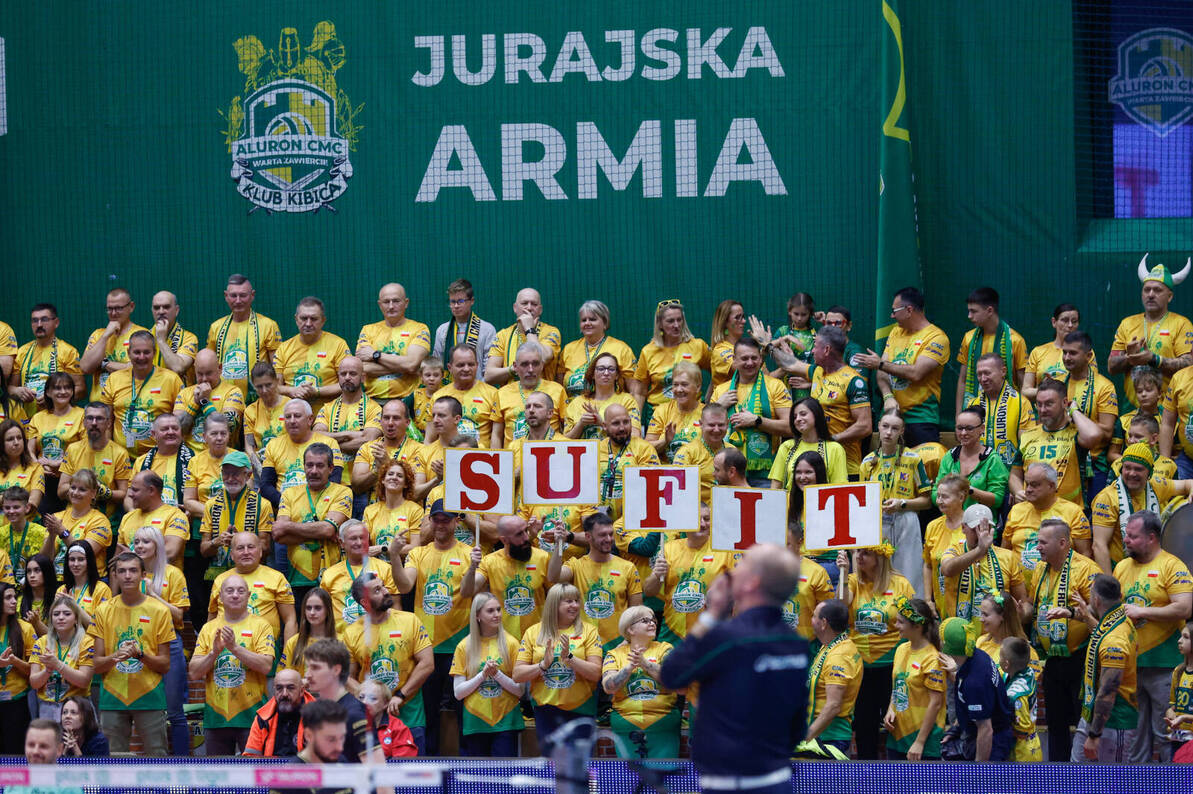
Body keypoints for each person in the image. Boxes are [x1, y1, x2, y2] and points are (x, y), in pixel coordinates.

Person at [659, 544, 807, 793]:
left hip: (730, 783)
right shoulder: (796, 643)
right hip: (777, 778)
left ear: (752, 583)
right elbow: (797, 728)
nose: (732, 570)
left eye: (742, 565)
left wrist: (710, 615)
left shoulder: (726, 638)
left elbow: (671, 675)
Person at [393, 498, 477, 755]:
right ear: (430, 521)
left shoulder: (468, 552)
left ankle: (467, 771)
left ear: (456, 521)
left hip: (460, 645)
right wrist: (395, 556)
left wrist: (474, 566)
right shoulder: (418, 553)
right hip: (425, 648)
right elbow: (405, 586)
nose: (440, 524)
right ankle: (426, 769)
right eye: (436, 519)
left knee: (465, 713)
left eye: (446, 519)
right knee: (428, 714)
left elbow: (469, 590)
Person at [1113, 510, 1193, 762]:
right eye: (1125, 535)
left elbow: (1185, 607)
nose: (1125, 540)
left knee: (1167, 732)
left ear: (1151, 538)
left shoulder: (1172, 565)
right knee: (1135, 737)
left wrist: (1141, 611)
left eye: (1132, 536)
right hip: (1132, 666)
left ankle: (1173, 785)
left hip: (1165, 666)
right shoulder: (1122, 567)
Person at [1027, 518, 1102, 761]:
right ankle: (1058, 776)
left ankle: (1086, 776)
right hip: (1053, 659)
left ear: (1062, 543)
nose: (1037, 547)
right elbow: (1033, 604)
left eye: (1042, 542)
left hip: (1080, 658)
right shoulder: (1040, 568)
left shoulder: (1087, 569)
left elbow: (1102, 611)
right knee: (1055, 723)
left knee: (1082, 722)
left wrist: (1071, 613)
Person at [87, 552, 173, 755]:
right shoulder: (102, 610)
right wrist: (117, 655)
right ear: (114, 575)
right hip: (112, 697)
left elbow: (165, 665)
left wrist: (139, 655)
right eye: (122, 571)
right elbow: (96, 664)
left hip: (150, 695)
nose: (127, 576)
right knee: (111, 761)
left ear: (144, 575)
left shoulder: (160, 611)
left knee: (157, 758)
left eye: (133, 570)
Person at [838, 542, 915, 759]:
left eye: (866, 553)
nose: (860, 557)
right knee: (864, 724)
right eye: (858, 552)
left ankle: (901, 773)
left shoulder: (901, 584)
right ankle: (866, 776)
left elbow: (911, 623)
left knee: (896, 721)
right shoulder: (852, 581)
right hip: (861, 665)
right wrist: (844, 570)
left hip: (892, 664)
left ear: (880, 558)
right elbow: (842, 604)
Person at [759, 326, 866, 477]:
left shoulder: (853, 381)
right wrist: (768, 346)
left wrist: (832, 440)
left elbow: (865, 425)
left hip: (846, 467)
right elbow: (790, 364)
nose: (812, 351)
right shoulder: (817, 372)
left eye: (816, 346)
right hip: (817, 465)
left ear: (827, 350)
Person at [190, 574, 276, 756]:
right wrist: (214, 653)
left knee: (254, 778)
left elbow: (267, 666)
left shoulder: (262, 625)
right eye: (229, 591)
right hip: (216, 718)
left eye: (240, 591)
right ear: (220, 597)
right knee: (218, 780)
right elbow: (194, 673)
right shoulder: (208, 628)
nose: (235, 595)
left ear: (249, 595)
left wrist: (234, 648)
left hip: (253, 716)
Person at [513, 583, 603, 753]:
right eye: (568, 601)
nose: (575, 605)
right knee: (554, 768)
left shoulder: (590, 631)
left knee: (580, 769)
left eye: (577, 600)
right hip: (547, 711)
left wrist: (570, 658)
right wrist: (543, 665)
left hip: (581, 710)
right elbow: (518, 675)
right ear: (554, 604)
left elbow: (596, 673)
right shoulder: (533, 632)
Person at [855, 287, 950, 446]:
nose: (892, 316)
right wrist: (887, 396)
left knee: (923, 466)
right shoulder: (895, 332)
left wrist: (880, 364)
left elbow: (916, 373)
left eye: (894, 311)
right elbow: (882, 372)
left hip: (921, 419)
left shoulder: (936, 338)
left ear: (909, 310)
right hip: (891, 417)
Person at [860, 411, 932, 597]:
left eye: (894, 428)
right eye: (885, 426)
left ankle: (913, 615)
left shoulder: (913, 459)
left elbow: (927, 501)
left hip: (905, 518)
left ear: (902, 431)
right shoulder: (867, 463)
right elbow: (862, 502)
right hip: (876, 522)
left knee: (910, 572)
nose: (888, 432)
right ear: (878, 427)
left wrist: (902, 503)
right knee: (878, 573)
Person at [548, 511, 643, 650]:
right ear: (588, 536)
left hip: (617, 645)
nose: (609, 539)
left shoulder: (628, 567)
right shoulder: (576, 565)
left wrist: (627, 640)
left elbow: (637, 612)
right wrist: (558, 544)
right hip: (583, 644)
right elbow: (554, 577)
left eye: (611, 534)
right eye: (602, 535)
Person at [1092, 443, 1193, 573]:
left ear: (1149, 473)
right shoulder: (1107, 498)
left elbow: (1187, 484)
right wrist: (1110, 586)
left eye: (1138, 469)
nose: (1132, 473)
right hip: (1120, 570)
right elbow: (1099, 546)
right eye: (1127, 468)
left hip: (1153, 569)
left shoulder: (1156, 485)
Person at [132, 526, 190, 755]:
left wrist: (154, 596)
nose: (140, 546)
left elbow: (179, 615)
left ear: (157, 545)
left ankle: (182, 765)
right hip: (138, 643)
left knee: (174, 711)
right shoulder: (129, 572)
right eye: (136, 542)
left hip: (169, 642)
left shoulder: (172, 574)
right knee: (145, 710)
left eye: (145, 542)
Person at [1108, 255, 1193, 407]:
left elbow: (1189, 365)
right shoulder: (1127, 323)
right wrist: (1130, 358)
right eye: (1147, 289)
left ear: (1170, 296)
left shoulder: (1182, 324)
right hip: (1132, 412)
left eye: (1158, 290)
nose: (1151, 294)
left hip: (1169, 412)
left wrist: (1153, 359)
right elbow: (1111, 366)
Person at [1071, 574, 1139, 762]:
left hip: (1112, 724)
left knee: (1111, 783)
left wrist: (1094, 735)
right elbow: (1100, 635)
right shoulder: (1117, 619)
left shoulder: (1114, 641)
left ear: (1097, 600)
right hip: (1093, 717)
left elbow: (1108, 691)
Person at [644, 505, 734, 645]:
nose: (702, 524)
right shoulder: (668, 548)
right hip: (672, 633)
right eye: (697, 519)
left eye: (707, 519)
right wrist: (656, 575)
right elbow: (649, 591)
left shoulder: (725, 549)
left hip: (712, 632)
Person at [272, 444, 352, 599]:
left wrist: (289, 526)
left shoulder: (343, 492)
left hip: (333, 577)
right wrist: (321, 530)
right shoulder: (289, 493)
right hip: (298, 578)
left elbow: (327, 530)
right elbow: (279, 535)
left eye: (320, 466)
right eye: (309, 465)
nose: (313, 471)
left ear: (330, 469)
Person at [450, 591, 524, 757]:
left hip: (506, 722)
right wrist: (482, 675)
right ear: (477, 615)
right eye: (490, 611)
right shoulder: (464, 646)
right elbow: (458, 693)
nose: (497, 614)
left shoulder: (512, 643)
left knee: (505, 778)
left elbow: (520, 690)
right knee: (478, 779)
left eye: (498, 609)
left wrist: (496, 674)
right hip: (476, 721)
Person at [200, 453, 277, 610]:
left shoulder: (263, 505)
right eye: (226, 473)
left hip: (251, 576)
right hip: (217, 577)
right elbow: (204, 550)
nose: (230, 478)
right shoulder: (211, 505)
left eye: (235, 473)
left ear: (248, 475)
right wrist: (217, 542)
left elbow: (266, 548)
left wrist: (240, 543)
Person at [601, 605, 679, 759]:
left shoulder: (665, 649)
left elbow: (673, 679)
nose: (652, 623)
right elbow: (608, 687)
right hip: (626, 721)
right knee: (631, 779)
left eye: (653, 620)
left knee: (662, 778)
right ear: (630, 629)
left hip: (663, 721)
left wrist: (645, 664)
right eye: (645, 620)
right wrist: (628, 668)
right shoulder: (614, 654)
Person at [938, 503, 1030, 625]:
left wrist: (1021, 615)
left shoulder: (1008, 557)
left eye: (985, 528)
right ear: (963, 528)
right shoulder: (954, 550)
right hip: (960, 636)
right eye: (975, 529)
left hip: (996, 638)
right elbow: (947, 569)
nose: (980, 534)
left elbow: (1023, 603)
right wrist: (979, 551)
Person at [1017, 378, 1104, 506]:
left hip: (1069, 514)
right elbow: (1015, 473)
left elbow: (1094, 435)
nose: (1042, 410)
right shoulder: (1028, 436)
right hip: (1032, 511)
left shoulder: (1076, 433)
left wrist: (1073, 410)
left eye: (1049, 404)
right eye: (1039, 404)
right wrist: (1018, 490)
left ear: (1064, 402)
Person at [938, 617, 1015, 761]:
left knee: (986, 782)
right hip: (983, 732)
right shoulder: (976, 655)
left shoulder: (974, 684)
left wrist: (979, 771)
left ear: (947, 646)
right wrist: (956, 728)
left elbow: (985, 730)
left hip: (993, 741)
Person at [100, 330, 184, 456]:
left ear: (154, 353)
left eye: (146, 352)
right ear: (128, 353)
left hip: (159, 457)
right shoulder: (114, 379)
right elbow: (106, 423)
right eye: (137, 352)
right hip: (122, 460)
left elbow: (180, 424)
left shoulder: (171, 379)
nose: (141, 357)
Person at [301, 638, 385, 763]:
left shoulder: (356, 714)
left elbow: (379, 776)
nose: (307, 674)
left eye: (315, 668)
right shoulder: (316, 710)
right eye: (308, 668)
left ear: (336, 670)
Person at [1059, 331, 1118, 501]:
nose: (1067, 357)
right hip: (1062, 462)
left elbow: (1106, 433)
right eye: (1064, 352)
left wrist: (1076, 419)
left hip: (1094, 467)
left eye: (1073, 353)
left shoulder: (1105, 387)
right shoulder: (1058, 385)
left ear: (1089, 355)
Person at [471, 515, 551, 641]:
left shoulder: (543, 557)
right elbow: (470, 589)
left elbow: (555, 594)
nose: (526, 537)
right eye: (520, 533)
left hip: (538, 640)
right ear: (504, 540)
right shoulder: (489, 561)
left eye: (526, 531)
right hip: (502, 641)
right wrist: (472, 567)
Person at [884, 597, 945, 760]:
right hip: (897, 737)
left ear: (917, 626)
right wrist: (891, 708)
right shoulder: (901, 649)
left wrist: (920, 742)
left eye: (900, 622)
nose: (895, 626)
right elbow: (898, 686)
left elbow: (936, 703)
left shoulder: (932, 658)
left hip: (921, 742)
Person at [313, 357, 380, 508]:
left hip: (361, 486)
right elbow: (316, 438)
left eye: (352, 373)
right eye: (343, 374)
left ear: (363, 377)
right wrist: (349, 435)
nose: (347, 377)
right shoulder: (327, 408)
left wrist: (331, 442)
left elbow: (368, 441)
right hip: (331, 485)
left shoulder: (374, 408)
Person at [1002, 462, 1093, 571]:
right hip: (1019, 584)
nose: (1028, 489)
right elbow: (1005, 551)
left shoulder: (1073, 512)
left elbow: (1085, 554)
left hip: (1059, 584)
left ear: (1051, 486)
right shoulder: (1016, 511)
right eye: (1027, 484)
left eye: (1035, 485)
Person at [207, 532, 295, 644]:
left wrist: (287, 656)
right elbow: (211, 619)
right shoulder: (220, 580)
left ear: (260, 552)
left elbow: (290, 620)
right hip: (224, 649)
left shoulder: (276, 578)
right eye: (240, 548)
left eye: (251, 547)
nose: (246, 552)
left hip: (266, 649)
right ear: (232, 555)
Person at [206, 274, 282, 402]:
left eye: (243, 295)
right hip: (223, 402)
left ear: (252, 295)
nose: (238, 300)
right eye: (233, 295)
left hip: (260, 400)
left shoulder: (268, 325)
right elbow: (209, 367)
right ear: (226, 296)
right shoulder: (216, 327)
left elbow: (278, 369)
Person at [632, 299, 711, 418]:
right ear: (660, 323)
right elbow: (639, 392)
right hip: (658, 416)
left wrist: (709, 400)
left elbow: (718, 374)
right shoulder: (648, 351)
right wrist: (635, 424)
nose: (676, 325)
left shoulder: (698, 346)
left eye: (679, 320)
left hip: (693, 414)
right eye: (670, 321)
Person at [260, 399, 344, 510]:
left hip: (320, 507)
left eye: (297, 416)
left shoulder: (329, 443)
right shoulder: (273, 445)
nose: (292, 421)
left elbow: (334, 481)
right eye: (288, 417)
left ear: (310, 420)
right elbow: (266, 485)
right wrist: (288, 505)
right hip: (284, 508)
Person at [955, 287, 1027, 414]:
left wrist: (1021, 415)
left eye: (973, 311)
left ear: (989, 311)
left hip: (1007, 411)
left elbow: (1023, 383)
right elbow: (963, 380)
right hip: (974, 411)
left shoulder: (1015, 340)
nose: (969, 316)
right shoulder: (969, 339)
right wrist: (958, 416)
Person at [804, 599, 863, 755]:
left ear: (824, 623)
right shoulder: (830, 645)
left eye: (814, 616)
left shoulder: (839, 656)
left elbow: (833, 705)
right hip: (822, 735)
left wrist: (806, 737)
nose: (811, 619)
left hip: (829, 739)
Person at [356, 282, 432, 403]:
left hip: (409, 402)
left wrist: (376, 355)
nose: (391, 306)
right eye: (386, 302)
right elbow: (363, 368)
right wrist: (403, 364)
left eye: (396, 301)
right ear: (380, 305)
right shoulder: (368, 330)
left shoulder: (420, 329)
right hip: (372, 403)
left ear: (406, 303)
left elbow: (412, 364)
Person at [58, 402, 130, 521]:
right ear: (84, 422)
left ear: (108, 423)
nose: (94, 423)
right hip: (73, 519)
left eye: (100, 419)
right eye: (90, 418)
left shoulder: (120, 453)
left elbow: (124, 493)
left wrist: (104, 492)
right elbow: (61, 491)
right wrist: (82, 487)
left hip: (106, 520)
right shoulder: (73, 449)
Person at [320, 520, 397, 627]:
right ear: (342, 543)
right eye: (353, 538)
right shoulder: (329, 574)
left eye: (362, 538)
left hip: (378, 637)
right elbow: (324, 614)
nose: (359, 542)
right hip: (342, 640)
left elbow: (396, 609)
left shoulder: (385, 569)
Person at [933, 406, 1009, 512]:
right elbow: (934, 495)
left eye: (969, 428)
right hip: (950, 522)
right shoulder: (949, 456)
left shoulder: (992, 459)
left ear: (982, 429)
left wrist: (969, 490)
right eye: (959, 428)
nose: (963, 433)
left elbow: (997, 500)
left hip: (980, 524)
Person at [491, 342, 567, 448]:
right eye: (524, 364)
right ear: (515, 367)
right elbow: (496, 435)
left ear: (542, 365)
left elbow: (567, 429)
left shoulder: (558, 390)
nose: (530, 369)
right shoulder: (502, 393)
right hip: (514, 459)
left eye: (535, 364)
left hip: (550, 457)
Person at [28, 372, 85, 511]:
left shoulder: (82, 415)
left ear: (72, 391)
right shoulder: (38, 417)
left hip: (71, 479)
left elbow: (84, 451)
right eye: (57, 388)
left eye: (67, 388)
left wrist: (59, 465)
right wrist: (38, 466)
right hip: (43, 478)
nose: (63, 392)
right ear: (48, 392)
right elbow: (29, 450)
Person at [967, 352, 1036, 470]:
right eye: (979, 374)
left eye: (987, 373)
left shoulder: (1021, 403)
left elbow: (1028, 446)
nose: (983, 379)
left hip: (1010, 474)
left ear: (1003, 372)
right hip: (979, 474)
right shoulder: (973, 404)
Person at [28, 595, 93, 719]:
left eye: (67, 614)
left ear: (76, 619)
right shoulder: (41, 642)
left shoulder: (86, 642)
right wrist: (48, 670)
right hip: (47, 707)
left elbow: (84, 681)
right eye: (56, 614)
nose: (61, 618)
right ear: (51, 619)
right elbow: (34, 683)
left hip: (77, 706)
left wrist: (58, 665)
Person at [557, 300, 637, 399]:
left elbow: (634, 392)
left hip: (610, 411)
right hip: (574, 411)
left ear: (605, 323)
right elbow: (559, 390)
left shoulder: (621, 349)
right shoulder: (568, 349)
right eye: (583, 320)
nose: (587, 323)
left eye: (592, 319)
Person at [10, 303, 83, 410]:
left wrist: (54, 397)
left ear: (56, 322)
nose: (39, 324)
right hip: (27, 420)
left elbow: (80, 389)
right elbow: (10, 388)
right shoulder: (22, 352)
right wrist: (17, 391)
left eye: (44, 319)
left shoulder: (68, 352)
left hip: (58, 418)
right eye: (35, 320)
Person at [79, 288, 148, 401]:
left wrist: (103, 363)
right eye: (110, 309)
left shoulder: (142, 334)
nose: (114, 313)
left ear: (131, 306)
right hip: (99, 407)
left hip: (126, 404)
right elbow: (85, 367)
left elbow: (137, 369)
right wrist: (106, 335)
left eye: (119, 308)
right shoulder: (98, 335)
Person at [353, 400, 428, 504]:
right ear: (380, 421)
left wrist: (387, 465)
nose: (390, 423)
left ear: (407, 422)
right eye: (386, 418)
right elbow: (357, 487)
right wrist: (376, 471)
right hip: (374, 516)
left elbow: (415, 493)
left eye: (396, 418)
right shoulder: (368, 448)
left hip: (407, 517)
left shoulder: (420, 450)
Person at [173, 349, 245, 456]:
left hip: (222, 458)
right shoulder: (184, 393)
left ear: (220, 368)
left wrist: (205, 402)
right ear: (194, 370)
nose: (204, 379)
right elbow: (176, 431)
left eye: (209, 373)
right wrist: (195, 403)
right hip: (190, 459)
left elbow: (228, 427)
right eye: (200, 374)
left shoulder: (233, 392)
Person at [594, 404, 660, 519]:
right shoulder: (596, 449)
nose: (622, 428)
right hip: (599, 520)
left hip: (632, 518)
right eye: (616, 423)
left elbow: (652, 488)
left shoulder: (644, 448)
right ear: (604, 426)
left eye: (626, 422)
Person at [485, 288, 563, 385]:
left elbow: (543, 357)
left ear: (540, 310)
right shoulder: (503, 335)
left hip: (542, 396)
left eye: (534, 304)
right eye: (524, 303)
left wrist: (529, 329)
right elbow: (489, 376)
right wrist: (515, 369)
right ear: (515, 308)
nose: (529, 308)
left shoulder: (551, 332)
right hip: (511, 396)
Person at [430, 345, 499, 448]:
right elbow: (430, 439)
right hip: (445, 459)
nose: (466, 369)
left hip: (480, 459)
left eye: (471, 364)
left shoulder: (493, 394)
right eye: (461, 365)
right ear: (450, 367)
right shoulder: (438, 396)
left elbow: (497, 437)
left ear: (477, 365)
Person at [770, 397, 848, 488]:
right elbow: (776, 486)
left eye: (803, 414)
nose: (798, 419)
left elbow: (840, 488)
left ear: (816, 415)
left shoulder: (835, 448)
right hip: (791, 501)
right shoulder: (786, 446)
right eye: (794, 417)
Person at [130, 414, 198, 517]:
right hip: (147, 522)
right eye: (165, 429)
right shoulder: (142, 461)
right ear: (153, 434)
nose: (171, 432)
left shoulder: (195, 459)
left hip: (183, 522)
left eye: (175, 428)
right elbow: (129, 495)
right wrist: (135, 515)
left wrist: (192, 510)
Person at [115, 470, 189, 566]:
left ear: (151, 490)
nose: (130, 494)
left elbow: (171, 552)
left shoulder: (175, 516)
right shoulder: (128, 517)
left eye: (135, 490)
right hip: (131, 579)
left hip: (164, 579)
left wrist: (133, 555)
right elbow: (117, 558)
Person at [564, 351, 641, 441]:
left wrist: (601, 423)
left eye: (611, 369)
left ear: (617, 375)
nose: (606, 373)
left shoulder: (627, 400)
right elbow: (565, 442)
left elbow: (635, 437)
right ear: (592, 374)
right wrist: (581, 424)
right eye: (601, 369)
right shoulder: (577, 403)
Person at [432, 279, 499, 380]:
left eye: (461, 301)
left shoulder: (487, 329)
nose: (456, 306)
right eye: (452, 302)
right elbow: (437, 365)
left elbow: (488, 369)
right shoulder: (442, 330)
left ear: (472, 301)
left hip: (478, 390)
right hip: (449, 390)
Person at [243, 667, 313, 758]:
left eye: (290, 688)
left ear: (302, 691)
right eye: (279, 688)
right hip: (270, 770)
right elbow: (251, 758)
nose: (284, 694)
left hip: (307, 771)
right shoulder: (263, 718)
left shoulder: (318, 717)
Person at [362, 459, 423, 561]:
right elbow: (363, 547)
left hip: (403, 569)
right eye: (390, 474)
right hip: (376, 570)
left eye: (399, 476)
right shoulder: (370, 510)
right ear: (383, 480)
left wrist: (383, 548)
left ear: (406, 484)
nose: (394, 477)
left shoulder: (415, 510)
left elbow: (415, 548)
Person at [1023, 303, 1087, 400]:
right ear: (1054, 322)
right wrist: (1046, 390)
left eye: (1074, 321)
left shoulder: (1085, 352)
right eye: (1065, 320)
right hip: (1044, 410)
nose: (1070, 325)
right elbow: (1025, 391)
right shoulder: (1038, 352)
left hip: (1074, 409)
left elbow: (1090, 387)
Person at [782, 522, 834, 641]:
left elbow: (827, 612)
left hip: (806, 643)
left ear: (799, 542)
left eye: (787, 544)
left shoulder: (817, 572)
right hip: (773, 644)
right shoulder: (766, 569)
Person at [0, 581, 35, 753]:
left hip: (17, 702)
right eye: (8, 598)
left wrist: (14, 661)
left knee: (16, 756)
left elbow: (33, 672)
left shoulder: (25, 628)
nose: (14, 601)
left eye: (14, 597)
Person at [975, 590, 1041, 678]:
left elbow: (1028, 685)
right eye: (981, 614)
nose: (981, 619)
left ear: (1003, 615)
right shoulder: (981, 642)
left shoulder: (1022, 650)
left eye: (985, 615)